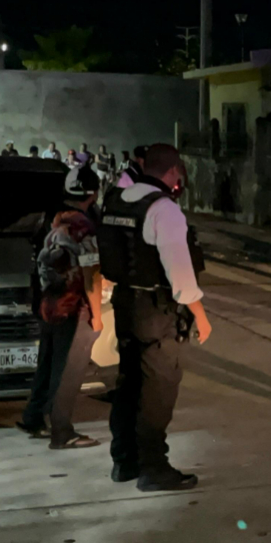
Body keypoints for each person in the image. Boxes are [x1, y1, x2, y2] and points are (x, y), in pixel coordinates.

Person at [98, 144, 211, 492]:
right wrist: (201, 318)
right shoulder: (164, 210)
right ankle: (153, 468)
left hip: (125, 303)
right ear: (174, 171)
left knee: (129, 383)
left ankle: (124, 461)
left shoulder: (116, 200)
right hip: (155, 310)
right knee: (158, 391)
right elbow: (182, 277)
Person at [16, 165, 106, 450]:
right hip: (74, 306)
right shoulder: (84, 227)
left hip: (49, 302)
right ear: (92, 195)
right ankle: (62, 431)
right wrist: (97, 315)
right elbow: (91, 274)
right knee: (68, 370)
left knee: (48, 361)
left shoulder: (51, 221)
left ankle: (33, 417)